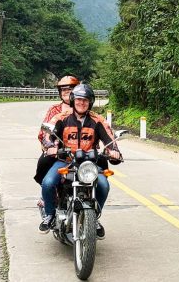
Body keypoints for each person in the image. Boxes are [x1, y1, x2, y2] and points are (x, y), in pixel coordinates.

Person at [39, 83, 122, 239]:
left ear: (90, 102)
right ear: (72, 100)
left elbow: (109, 139)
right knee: (48, 183)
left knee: (104, 185)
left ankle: (95, 217)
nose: (81, 103)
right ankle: (49, 215)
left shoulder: (98, 120)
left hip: (89, 163)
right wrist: (50, 146)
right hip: (66, 161)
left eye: (85, 100)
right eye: (78, 99)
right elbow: (47, 135)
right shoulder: (61, 118)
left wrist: (114, 151)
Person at [33, 75, 80, 184]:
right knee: (43, 164)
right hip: (58, 150)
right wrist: (51, 146)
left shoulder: (83, 107)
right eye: (63, 89)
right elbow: (43, 132)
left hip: (81, 149)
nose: (66, 92)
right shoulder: (54, 110)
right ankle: (46, 193)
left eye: (70, 89)